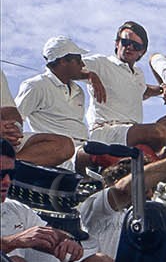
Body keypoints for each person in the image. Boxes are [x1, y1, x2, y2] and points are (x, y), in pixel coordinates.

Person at [83, 21, 166, 154]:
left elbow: (142, 90)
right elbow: (70, 65)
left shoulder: (138, 73)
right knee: (158, 132)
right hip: (107, 131)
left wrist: (162, 89)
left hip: (132, 131)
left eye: (136, 45)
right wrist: (90, 75)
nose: (130, 47)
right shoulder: (101, 63)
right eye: (125, 42)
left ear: (142, 51)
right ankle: (164, 164)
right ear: (117, 43)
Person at [14, 36, 103, 166]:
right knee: (102, 158)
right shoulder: (36, 85)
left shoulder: (78, 91)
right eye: (78, 60)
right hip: (60, 152)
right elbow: (14, 121)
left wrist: (91, 76)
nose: (83, 64)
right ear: (62, 61)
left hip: (82, 148)